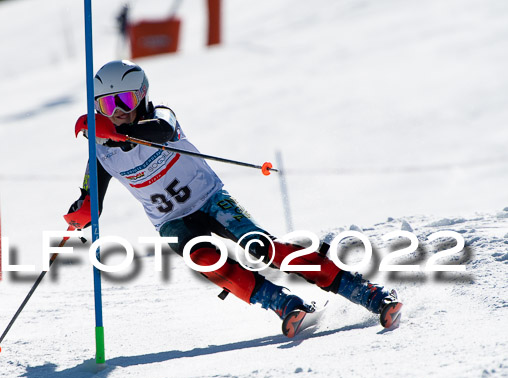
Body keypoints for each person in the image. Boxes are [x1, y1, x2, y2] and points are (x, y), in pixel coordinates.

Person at [68, 60, 402, 336]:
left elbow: (161, 133)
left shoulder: (162, 117)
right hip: (171, 221)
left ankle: (366, 292)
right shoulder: (100, 150)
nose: (117, 112)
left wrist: (117, 132)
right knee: (205, 261)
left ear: (142, 96)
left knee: (263, 248)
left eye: (124, 101)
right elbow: (90, 197)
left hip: (210, 198)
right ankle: (284, 303)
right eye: (106, 105)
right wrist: (82, 210)